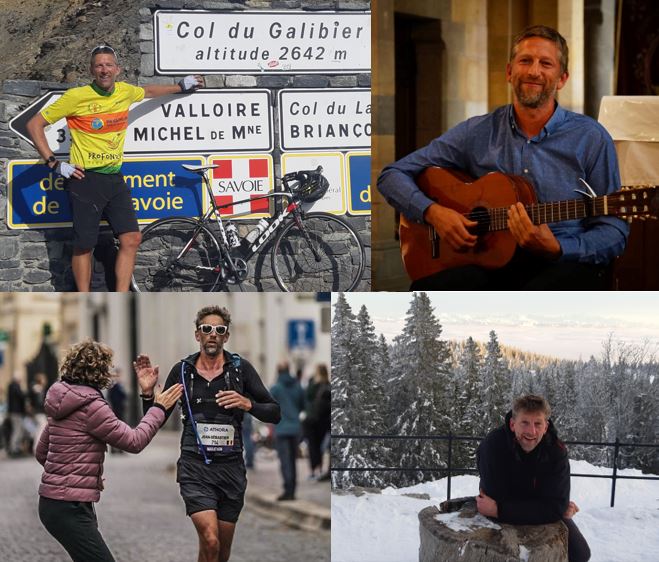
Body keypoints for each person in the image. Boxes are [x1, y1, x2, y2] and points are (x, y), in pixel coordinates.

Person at [377, 25, 629, 290]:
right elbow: (391, 175)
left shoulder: (591, 137)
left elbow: (614, 230)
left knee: (535, 297)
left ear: (562, 79)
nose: (534, 71)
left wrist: (558, 247)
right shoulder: (476, 131)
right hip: (491, 262)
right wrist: (434, 213)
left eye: (546, 63)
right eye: (525, 61)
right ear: (509, 72)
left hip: (564, 263)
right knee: (425, 295)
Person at [26, 43, 205, 292]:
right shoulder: (75, 97)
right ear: (91, 70)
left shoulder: (124, 91)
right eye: (99, 65)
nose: (104, 70)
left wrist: (180, 86)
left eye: (109, 65)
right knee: (85, 245)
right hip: (84, 179)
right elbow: (34, 124)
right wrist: (54, 164)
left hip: (114, 178)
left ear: (117, 69)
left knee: (132, 238)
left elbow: (149, 91)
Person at [135, 305, 281, 562]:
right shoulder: (182, 371)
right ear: (197, 335)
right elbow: (156, 419)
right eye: (206, 329)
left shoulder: (240, 369)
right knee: (210, 540)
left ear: (226, 336)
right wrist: (148, 394)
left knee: (219, 552)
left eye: (219, 329)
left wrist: (248, 404)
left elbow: (275, 412)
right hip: (195, 468)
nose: (212, 334)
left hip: (231, 469)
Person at [35, 339, 182, 562]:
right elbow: (134, 441)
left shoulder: (60, 401)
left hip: (52, 504)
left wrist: (77, 473)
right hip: (69, 508)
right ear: (101, 370)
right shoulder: (92, 406)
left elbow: (41, 452)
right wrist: (159, 408)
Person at [476, 394, 590, 562]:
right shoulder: (493, 447)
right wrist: (547, 507)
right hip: (502, 522)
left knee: (579, 553)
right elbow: (494, 499)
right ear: (513, 424)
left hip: (506, 511)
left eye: (538, 424)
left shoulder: (556, 451)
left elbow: (555, 507)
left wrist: (500, 509)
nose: (531, 431)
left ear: (546, 427)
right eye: (525, 423)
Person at [270, 361, 305, 500]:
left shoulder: (276, 388)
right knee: (293, 460)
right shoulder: (297, 386)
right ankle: (293, 490)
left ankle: (288, 491)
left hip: (282, 428)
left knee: (285, 461)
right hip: (296, 428)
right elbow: (303, 405)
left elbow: (269, 406)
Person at [303, 364, 331, 480]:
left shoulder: (312, 384)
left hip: (312, 419)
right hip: (323, 420)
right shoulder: (327, 385)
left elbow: (307, 397)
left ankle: (314, 470)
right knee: (318, 447)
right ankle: (318, 469)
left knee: (313, 446)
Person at [7, 376, 27, 457]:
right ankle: (14, 449)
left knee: (18, 430)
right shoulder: (15, 387)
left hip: (14, 411)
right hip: (16, 412)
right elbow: (21, 396)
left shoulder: (11, 387)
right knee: (17, 430)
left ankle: (16, 448)